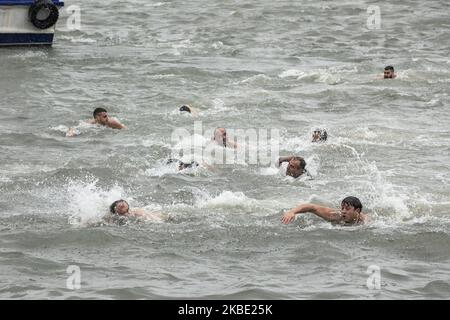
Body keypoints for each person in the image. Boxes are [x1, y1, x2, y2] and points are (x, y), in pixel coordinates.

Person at [281, 196, 368, 225]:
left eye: (347, 209)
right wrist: (292, 212)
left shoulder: (365, 221)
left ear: (357, 210)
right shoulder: (335, 215)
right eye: (342, 208)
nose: (343, 211)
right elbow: (311, 207)